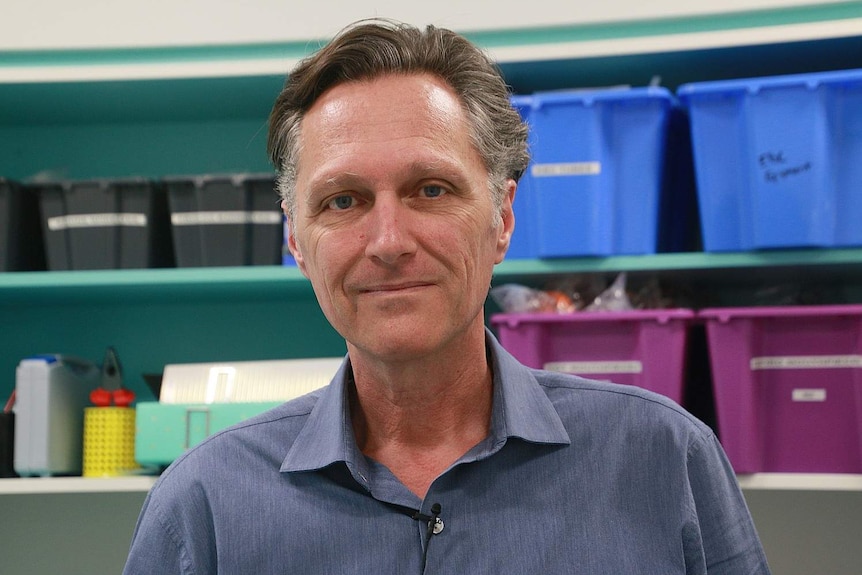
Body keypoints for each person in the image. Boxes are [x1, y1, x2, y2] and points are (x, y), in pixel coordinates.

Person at [124, 18, 771, 574]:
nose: (387, 240)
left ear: (503, 218)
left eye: (430, 189)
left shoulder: (665, 459)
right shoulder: (202, 504)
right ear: (297, 238)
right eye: (342, 200)